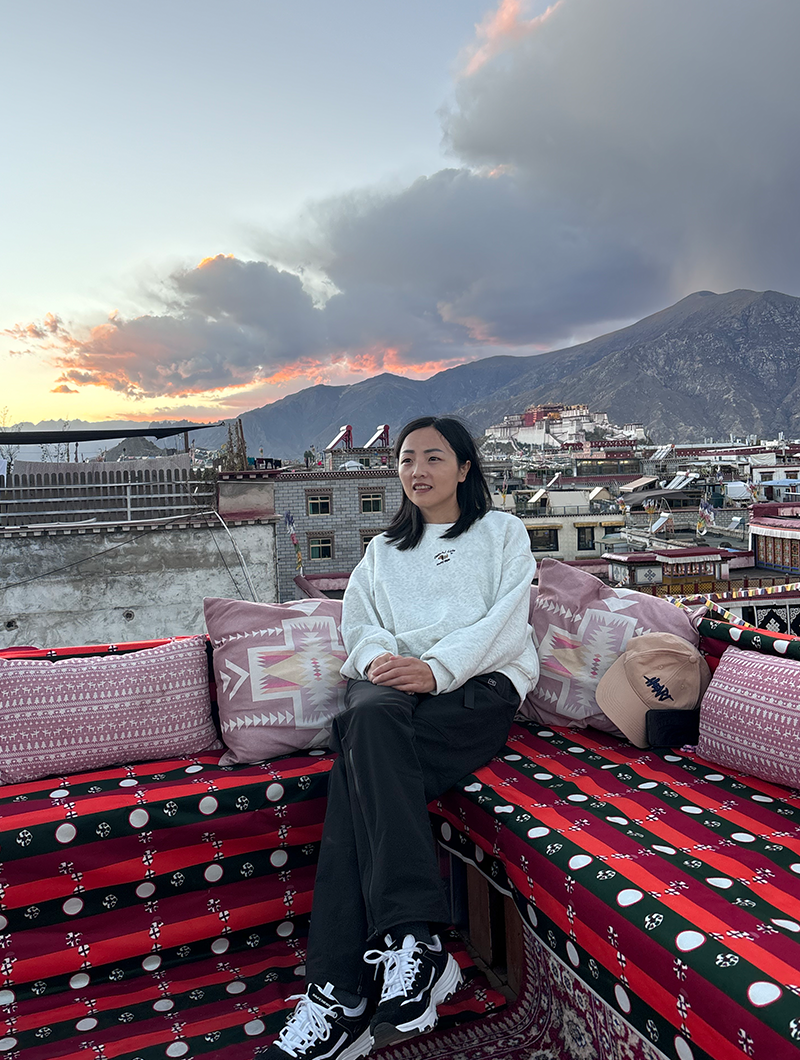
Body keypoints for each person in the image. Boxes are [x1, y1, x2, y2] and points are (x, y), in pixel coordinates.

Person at [266, 416, 539, 1060]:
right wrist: (388, 663)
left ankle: (336, 994)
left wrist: (436, 669)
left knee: (356, 765)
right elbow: (359, 628)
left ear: (465, 468)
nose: (417, 471)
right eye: (406, 459)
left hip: (473, 692)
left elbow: (507, 619)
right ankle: (411, 940)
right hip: (390, 696)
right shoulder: (384, 550)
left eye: (433, 457)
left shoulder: (501, 534)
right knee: (368, 718)